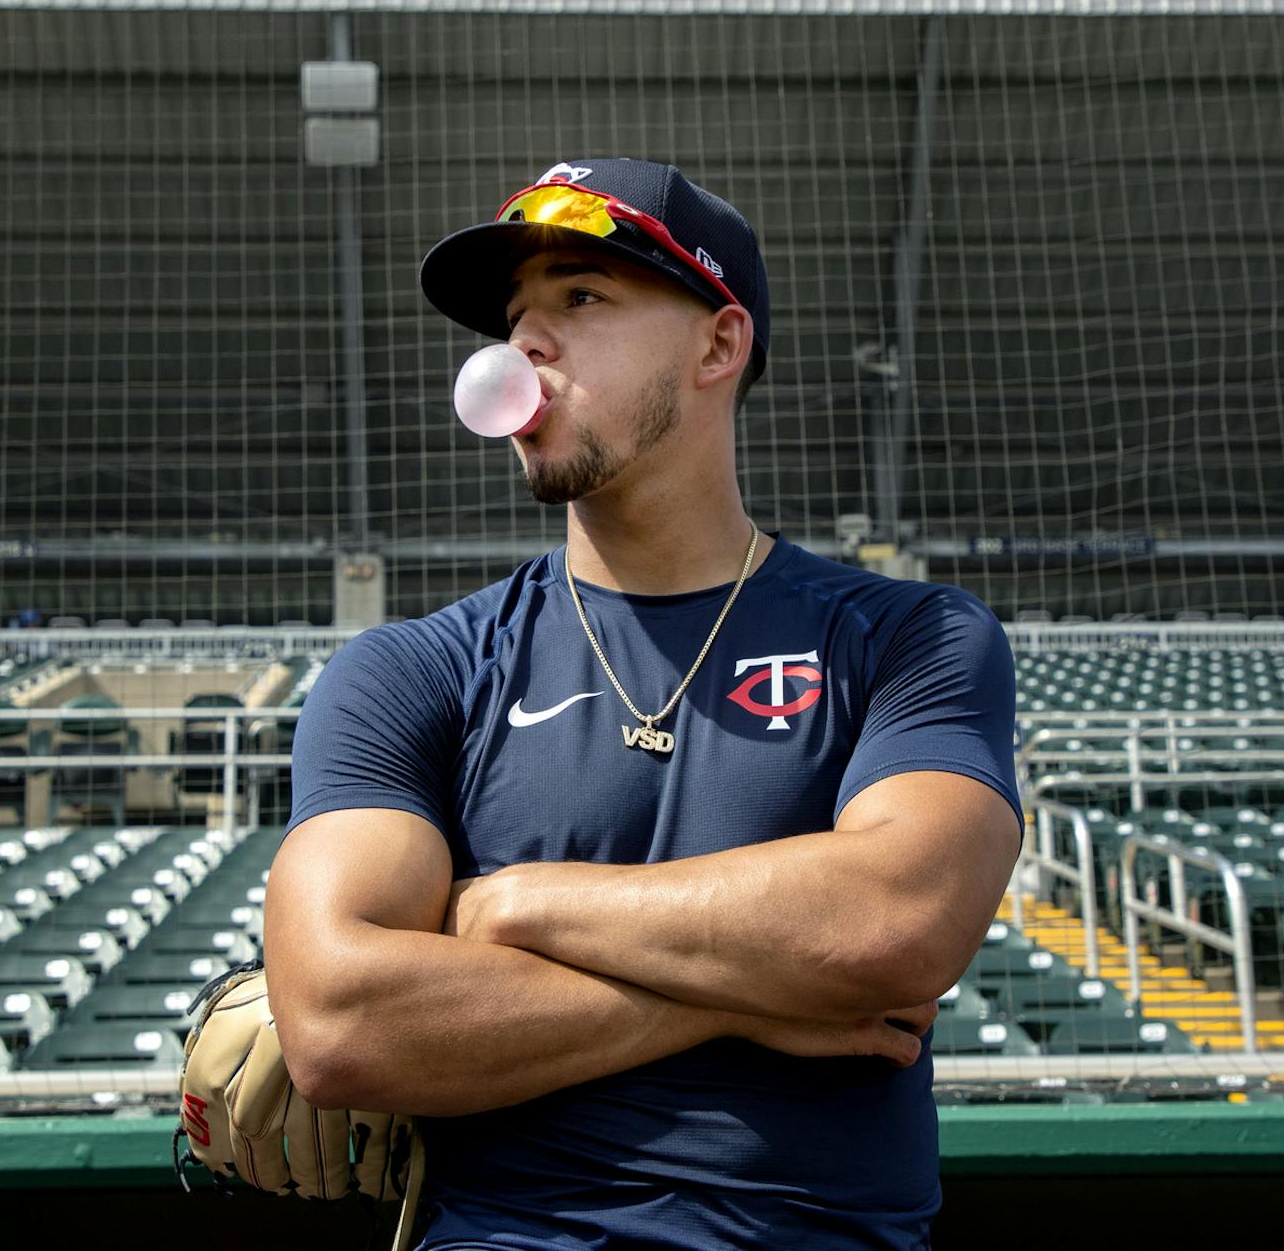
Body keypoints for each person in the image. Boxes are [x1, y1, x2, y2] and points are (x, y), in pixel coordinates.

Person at [265, 158, 1022, 1250]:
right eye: (515, 316)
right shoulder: (407, 669)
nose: (521, 347)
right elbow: (340, 1023)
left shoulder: (913, 637)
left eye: (580, 297)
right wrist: (749, 995)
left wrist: (509, 906)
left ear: (718, 344)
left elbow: (894, 923)